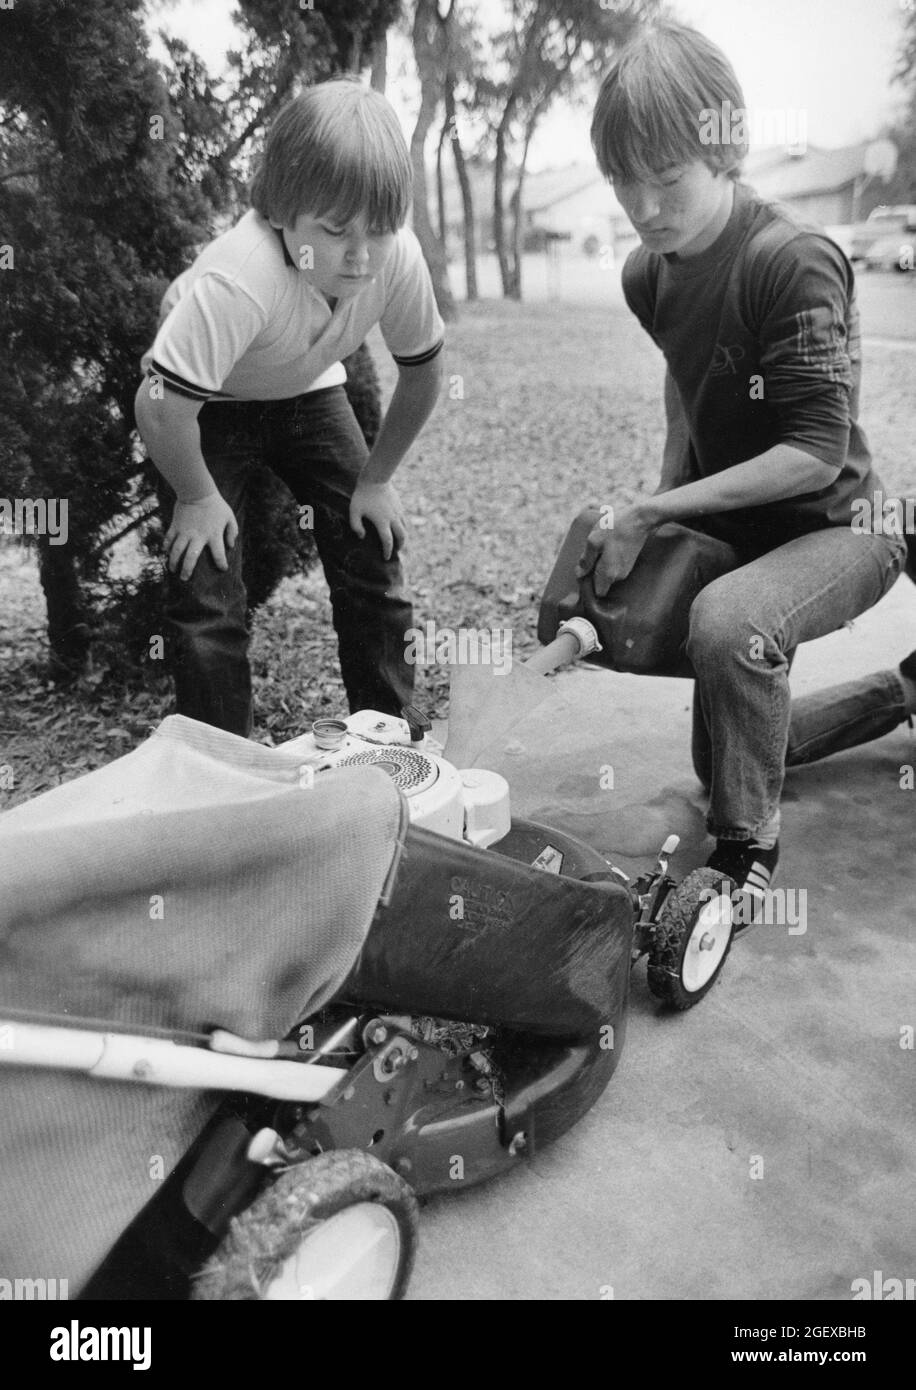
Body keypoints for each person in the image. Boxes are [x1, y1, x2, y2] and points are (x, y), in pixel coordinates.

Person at [580, 22, 909, 923]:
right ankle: (908, 691)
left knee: (728, 627)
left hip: (847, 529)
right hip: (747, 533)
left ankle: (746, 852)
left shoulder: (791, 261)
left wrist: (651, 510)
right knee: (722, 754)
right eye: (622, 180)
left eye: (667, 177)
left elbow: (811, 452)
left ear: (724, 149)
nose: (644, 206)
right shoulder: (648, 274)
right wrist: (670, 519)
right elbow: (684, 391)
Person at [135, 79, 445, 736]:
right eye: (335, 232)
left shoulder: (397, 258)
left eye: (381, 230)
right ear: (282, 210)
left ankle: (388, 741)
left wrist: (378, 478)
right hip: (203, 406)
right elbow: (159, 404)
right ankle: (223, 775)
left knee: (373, 545)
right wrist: (195, 495)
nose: (361, 256)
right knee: (206, 578)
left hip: (306, 393)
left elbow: (423, 375)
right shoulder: (239, 277)